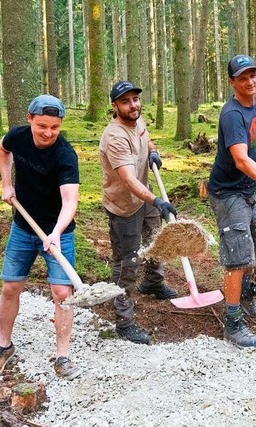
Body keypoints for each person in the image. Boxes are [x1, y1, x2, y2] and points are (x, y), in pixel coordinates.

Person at [0, 95, 82, 380]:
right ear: (29, 119)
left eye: (55, 127)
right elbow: (3, 151)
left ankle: (62, 356)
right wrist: (6, 184)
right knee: (10, 287)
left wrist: (55, 233)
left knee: (63, 294)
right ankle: (3, 346)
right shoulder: (17, 137)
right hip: (23, 228)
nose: (48, 133)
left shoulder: (65, 155)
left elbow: (70, 202)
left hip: (58, 231)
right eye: (42, 126)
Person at [207, 55, 256, 348]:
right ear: (232, 83)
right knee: (237, 256)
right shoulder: (231, 114)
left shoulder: (252, 103)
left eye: (253, 75)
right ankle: (233, 324)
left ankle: (247, 293)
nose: (250, 82)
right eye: (243, 78)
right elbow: (240, 159)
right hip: (229, 193)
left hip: (247, 191)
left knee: (254, 242)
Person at [99, 80, 178, 345]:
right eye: (125, 101)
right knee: (127, 262)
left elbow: (145, 138)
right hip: (124, 207)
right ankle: (124, 321)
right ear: (114, 106)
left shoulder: (137, 121)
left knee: (157, 240)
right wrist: (157, 200)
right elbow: (130, 181)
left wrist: (153, 152)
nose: (133, 105)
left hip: (144, 198)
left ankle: (153, 283)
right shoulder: (115, 137)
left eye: (135, 99)